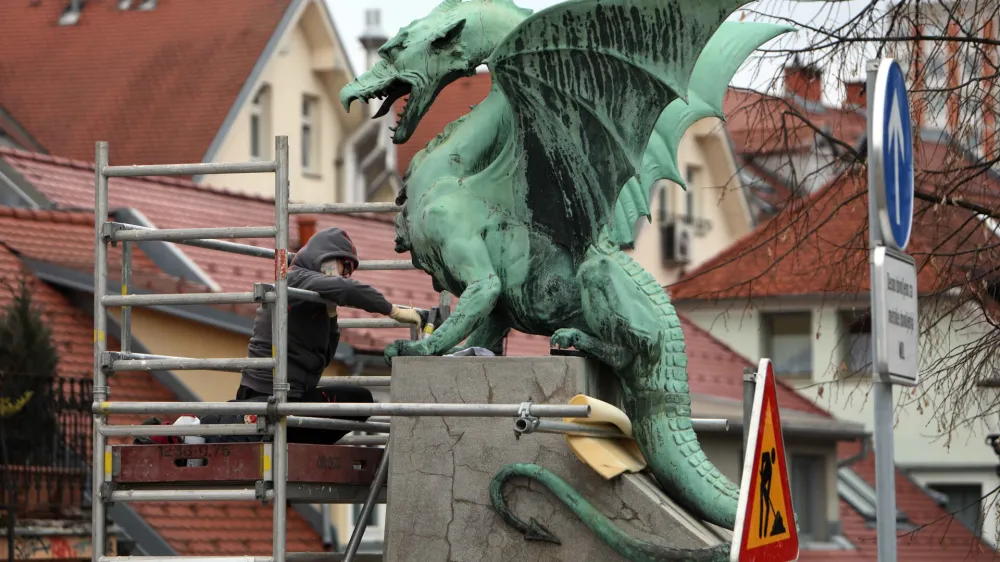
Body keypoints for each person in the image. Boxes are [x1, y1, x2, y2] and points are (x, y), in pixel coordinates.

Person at [204, 226, 422, 445]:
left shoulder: (315, 298)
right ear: (326, 258)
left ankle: (269, 434)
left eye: (349, 271)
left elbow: (325, 356)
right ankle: (225, 421)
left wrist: (331, 316)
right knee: (358, 399)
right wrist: (393, 310)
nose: (345, 274)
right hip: (265, 393)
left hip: (294, 395)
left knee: (355, 404)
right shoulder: (294, 279)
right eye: (345, 266)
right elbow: (348, 289)